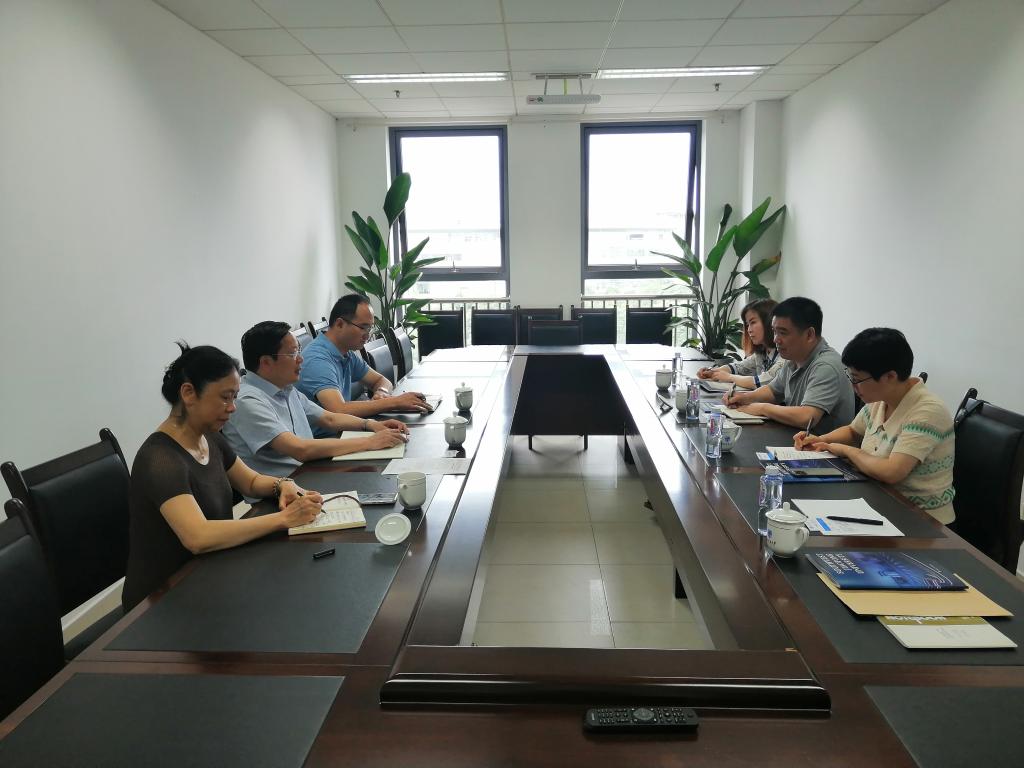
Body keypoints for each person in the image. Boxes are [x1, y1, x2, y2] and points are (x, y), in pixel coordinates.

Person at [124, 343, 325, 611]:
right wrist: (284, 519)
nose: (232, 408)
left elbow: (250, 482)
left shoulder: (209, 437)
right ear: (188, 393)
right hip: (163, 601)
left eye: (235, 397)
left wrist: (282, 484)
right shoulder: (160, 459)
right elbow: (198, 537)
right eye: (225, 397)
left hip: (209, 573)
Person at [222, 321, 408, 494]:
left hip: (311, 473)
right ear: (266, 362)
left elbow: (329, 418)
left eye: (299, 351)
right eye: (293, 354)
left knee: (383, 481)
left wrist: (371, 425)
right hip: (282, 494)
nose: (300, 359)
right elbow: (300, 449)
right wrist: (370, 442)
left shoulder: (285, 388)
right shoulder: (247, 401)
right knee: (377, 487)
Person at [794, 328, 955, 524]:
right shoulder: (881, 398)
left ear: (890, 376)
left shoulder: (927, 411)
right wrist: (820, 440)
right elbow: (853, 431)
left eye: (857, 379)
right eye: (850, 377)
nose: (853, 386)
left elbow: (891, 472)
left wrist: (845, 450)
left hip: (920, 520)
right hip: (879, 500)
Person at [298, 294, 431, 437]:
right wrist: (394, 402)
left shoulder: (345, 352)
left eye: (370, 328)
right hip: (323, 441)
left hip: (344, 431)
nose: (367, 335)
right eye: (363, 327)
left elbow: (380, 380)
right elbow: (338, 410)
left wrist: (382, 393)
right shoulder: (317, 359)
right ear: (340, 324)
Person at [724, 297, 854, 433]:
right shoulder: (793, 357)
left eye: (783, 333)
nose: (776, 339)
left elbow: (807, 418)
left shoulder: (826, 366)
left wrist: (762, 408)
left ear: (809, 335)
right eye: (774, 331)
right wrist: (744, 397)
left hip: (822, 445)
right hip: (796, 438)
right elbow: (773, 391)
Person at [697, 298, 784, 389]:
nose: (749, 330)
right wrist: (713, 372)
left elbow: (763, 381)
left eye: (753, 322)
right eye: (747, 325)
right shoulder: (763, 352)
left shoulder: (784, 355)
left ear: (770, 322)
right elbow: (739, 367)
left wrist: (729, 377)